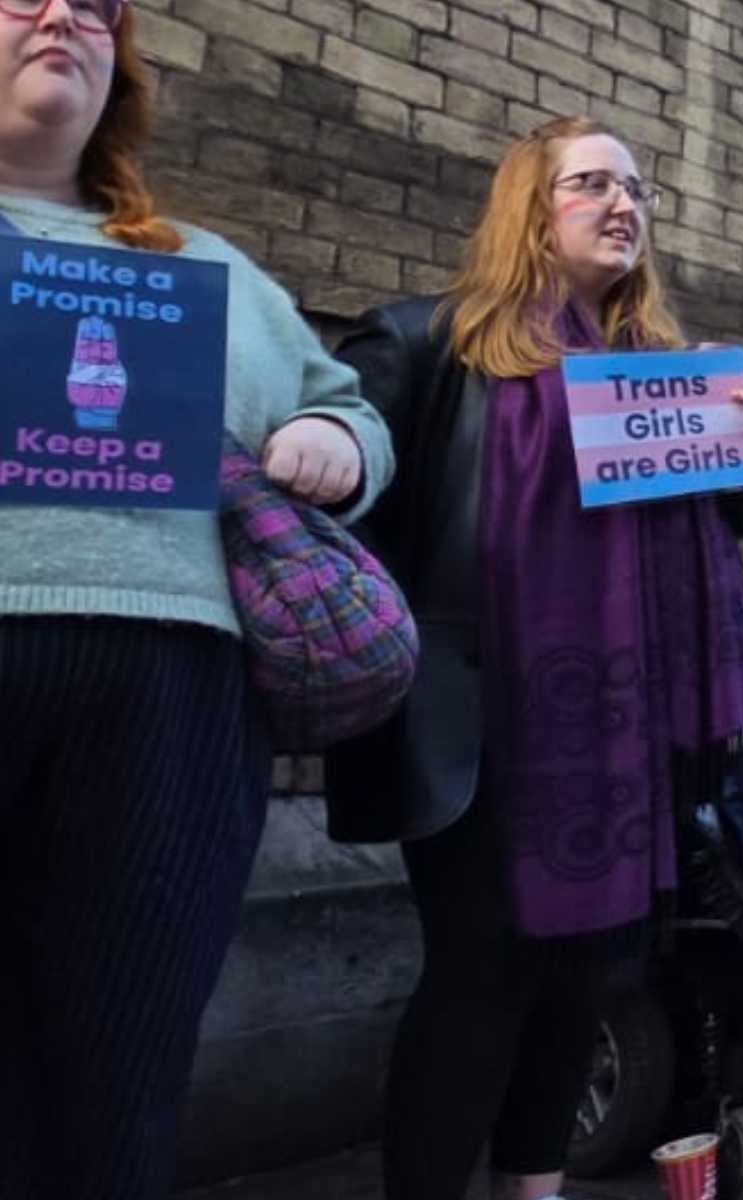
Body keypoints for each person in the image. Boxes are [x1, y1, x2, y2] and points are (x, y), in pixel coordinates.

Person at [324, 115, 743, 1200]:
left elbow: (738, 527)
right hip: (479, 722)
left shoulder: (658, 377)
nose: (624, 205)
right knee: (480, 978)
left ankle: (536, 1189)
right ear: (531, 205)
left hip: (617, 725)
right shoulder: (425, 342)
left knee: (581, 975)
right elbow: (348, 513)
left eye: (637, 189)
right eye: (592, 184)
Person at [0, 4, 396, 1196]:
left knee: (121, 1075)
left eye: (95, 4)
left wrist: (339, 439)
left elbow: (351, 408)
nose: (63, 13)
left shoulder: (206, 267)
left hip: (173, 697)